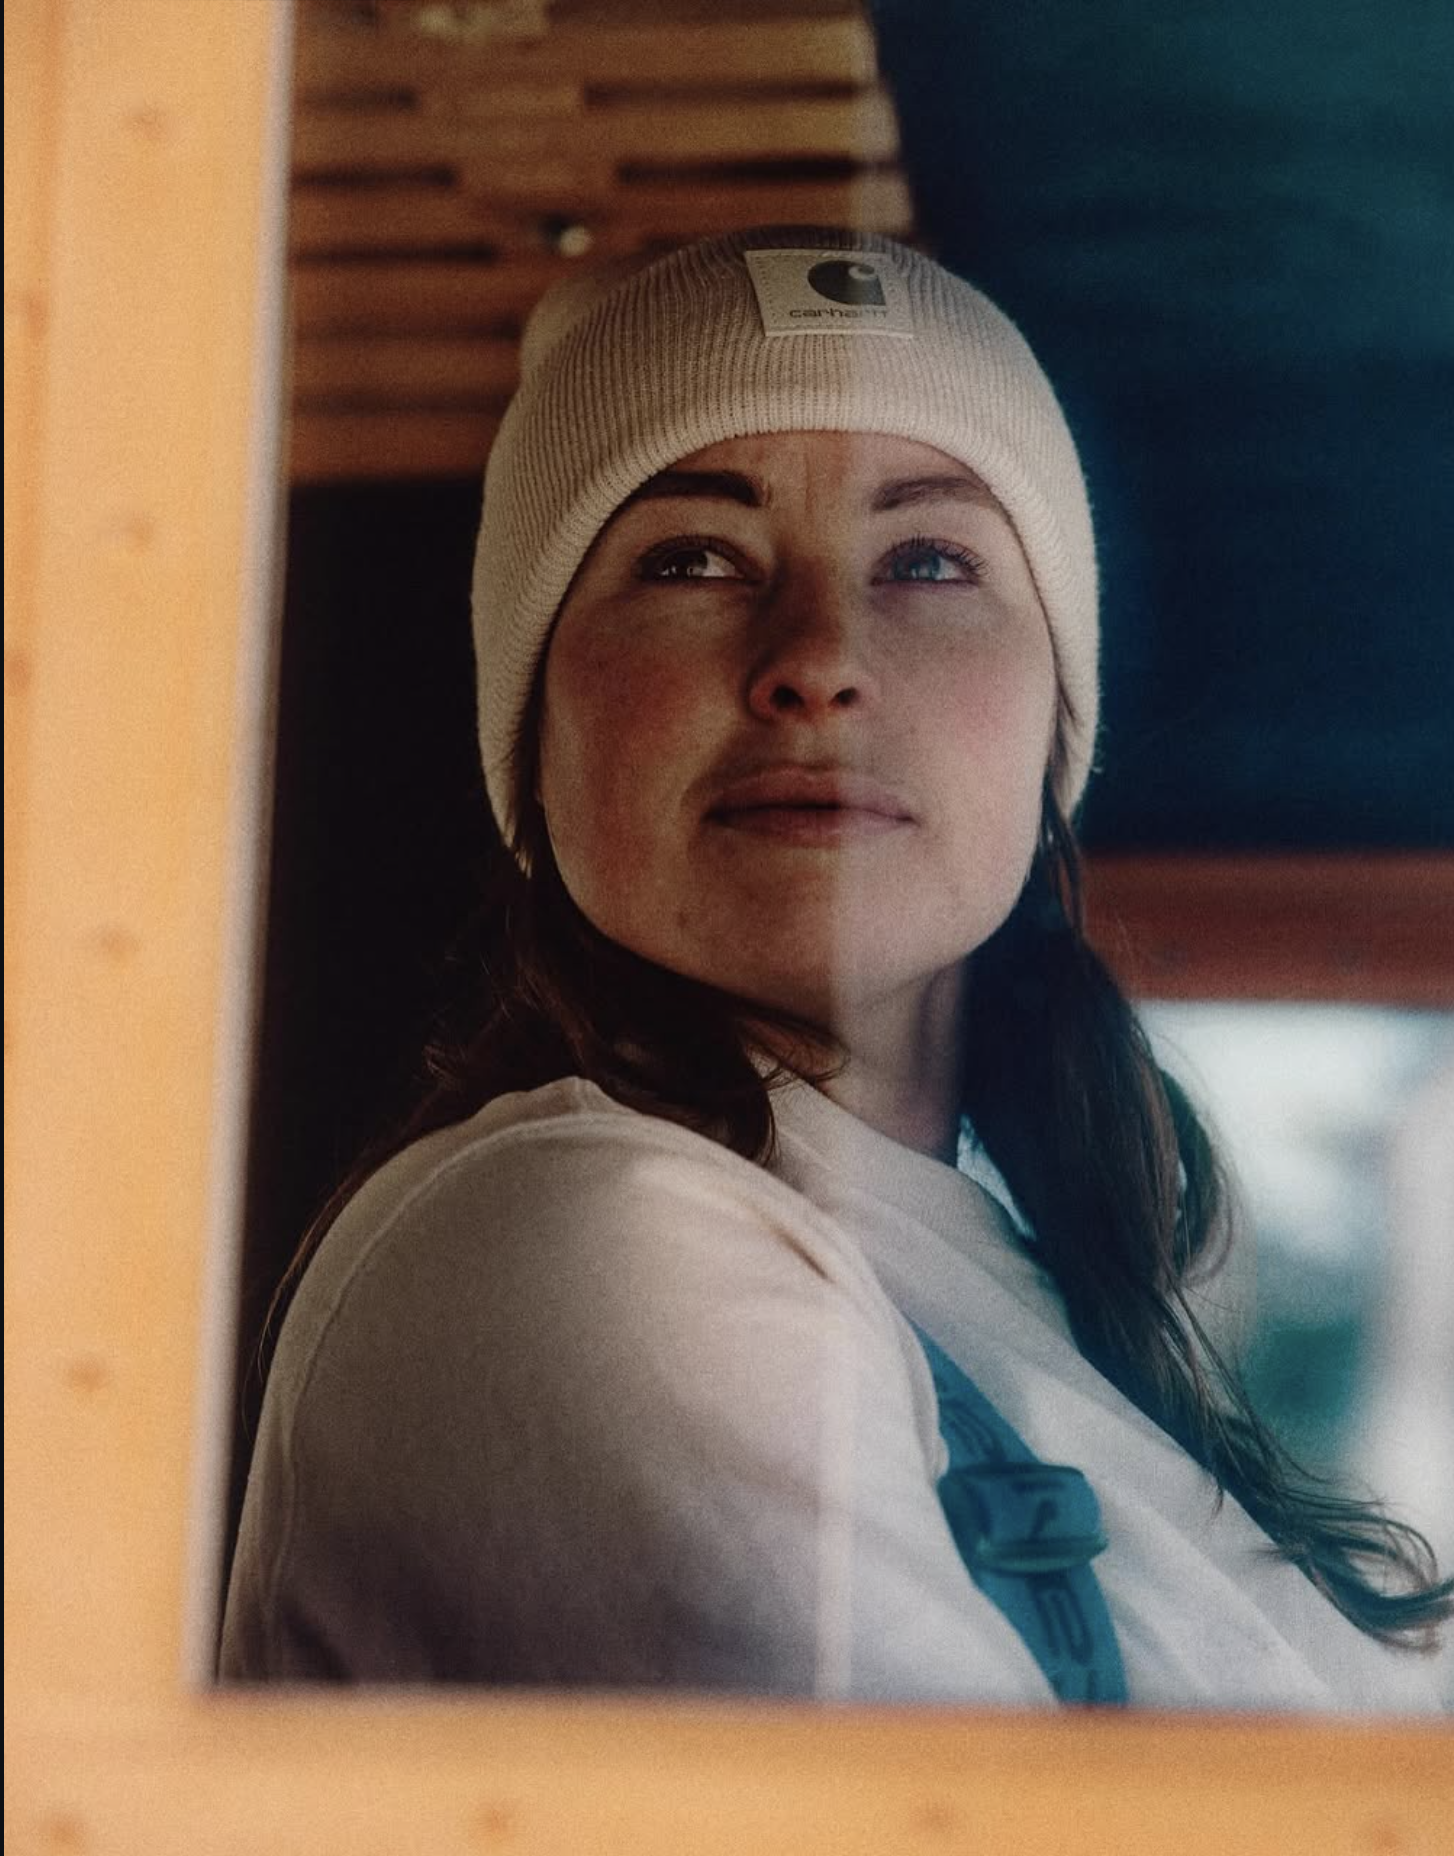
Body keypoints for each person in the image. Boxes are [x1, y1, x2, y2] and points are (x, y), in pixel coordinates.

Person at [220, 227, 1450, 1706]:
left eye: (927, 560)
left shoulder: (1045, 1305)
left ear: (1053, 724)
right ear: (535, 732)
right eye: (690, 559)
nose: (817, 658)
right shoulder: (584, 1236)